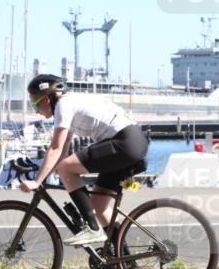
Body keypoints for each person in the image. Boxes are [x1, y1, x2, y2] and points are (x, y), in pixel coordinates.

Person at [18, 73, 148, 246]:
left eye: (35, 103)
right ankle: (123, 262)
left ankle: (92, 229)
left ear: (47, 99)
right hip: (132, 141)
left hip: (125, 141)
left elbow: (56, 149)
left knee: (65, 168)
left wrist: (37, 181)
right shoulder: (70, 104)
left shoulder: (63, 105)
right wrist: (44, 176)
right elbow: (62, 150)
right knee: (97, 208)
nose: (36, 110)